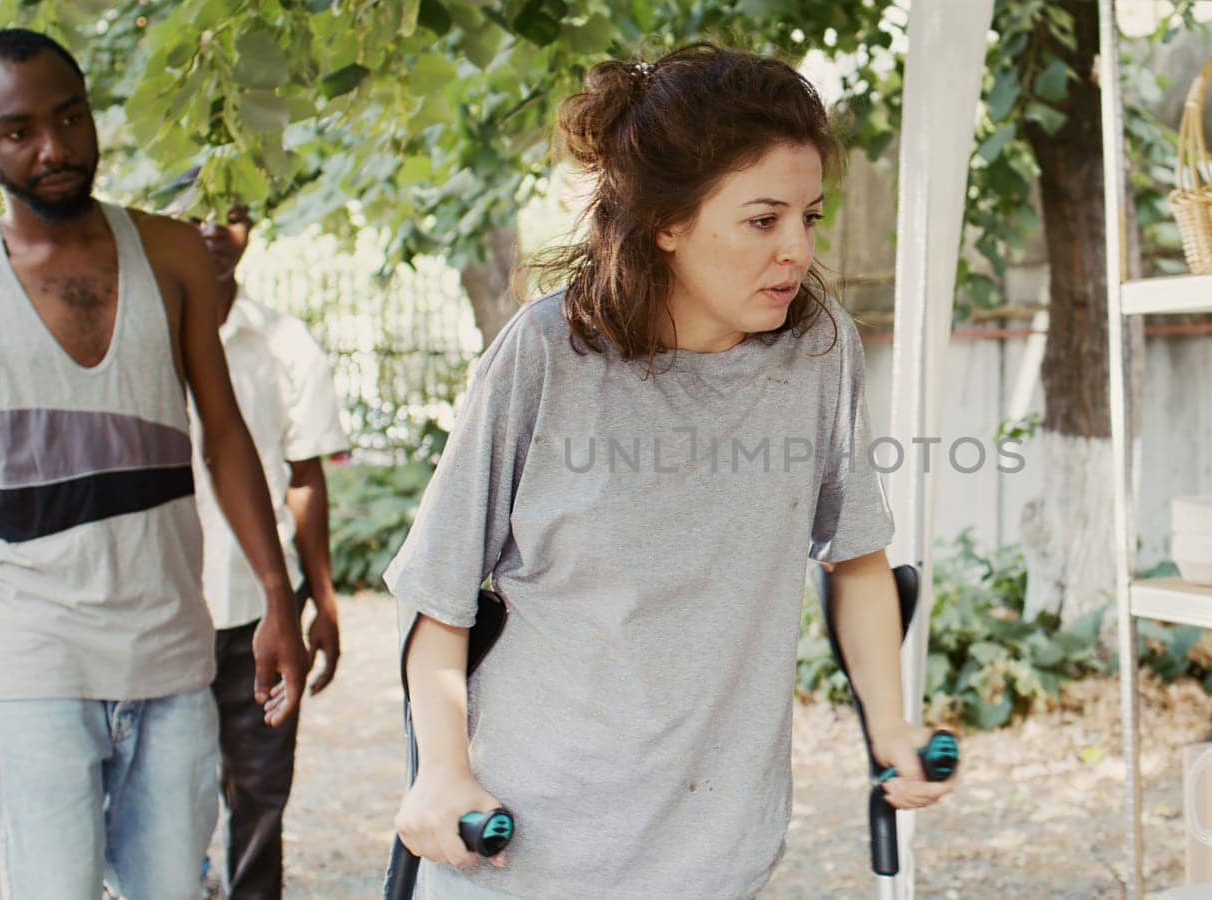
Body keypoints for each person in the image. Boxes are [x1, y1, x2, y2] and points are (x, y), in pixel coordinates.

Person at [386, 43, 956, 898]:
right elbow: (440, 595)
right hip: (526, 854)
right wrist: (440, 771)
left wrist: (891, 726)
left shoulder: (816, 352)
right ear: (668, 221)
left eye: (810, 216)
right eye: (763, 220)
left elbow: (859, 558)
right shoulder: (548, 356)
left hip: (717, 858)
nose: (797, 250)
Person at [0, 28, 309, 900]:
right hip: (29, 657)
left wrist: (279, 600)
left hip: (171, 647)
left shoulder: (169, 253)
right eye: (19, 130)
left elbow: (227, 435)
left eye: (71, 117)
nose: (54, 148)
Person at [171, 187, 350, 899]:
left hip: (258, 613)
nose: (217, 228)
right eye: (198, 212)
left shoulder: (284, 341)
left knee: (261, 800)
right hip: (166, 610)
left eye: (234, 211)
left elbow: (305, 477)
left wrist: (322, 601)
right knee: (166, 805)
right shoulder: (139, 334)